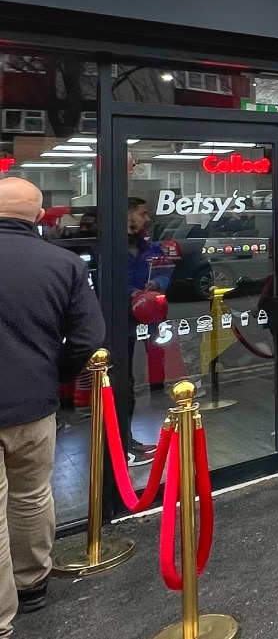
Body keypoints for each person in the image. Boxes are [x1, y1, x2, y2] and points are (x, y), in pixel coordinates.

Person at [0, 178, 105, 633]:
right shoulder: (63, 264)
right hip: (34, 403)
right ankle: (32, 583)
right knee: (31, 494)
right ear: (40, 216)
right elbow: (88, 337)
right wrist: (54, 373)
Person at [126, 196, 173, 466]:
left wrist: (158, 282)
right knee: (121, 382)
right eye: (142, 213)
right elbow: (99, 279)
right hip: (120, 320)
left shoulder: (147, 245)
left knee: (131, 380)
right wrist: (129, 293)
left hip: (148, 317)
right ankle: (122, 444)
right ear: (127, 215)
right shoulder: (110, 245)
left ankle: (127, 439)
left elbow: (165, 268)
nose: (147, 218)